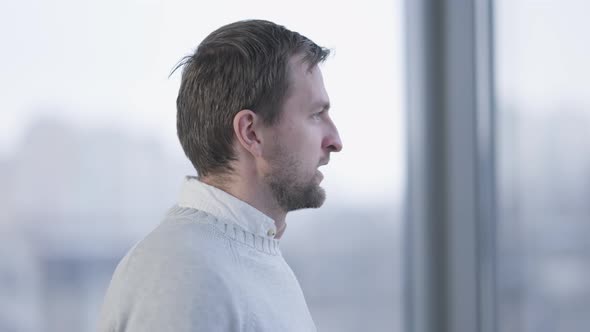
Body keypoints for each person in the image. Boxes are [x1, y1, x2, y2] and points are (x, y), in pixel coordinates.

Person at [98, 19, 342, 332]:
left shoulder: (245, 259)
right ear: (251, 133)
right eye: (315, 115)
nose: (335, 140)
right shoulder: (185, 273)